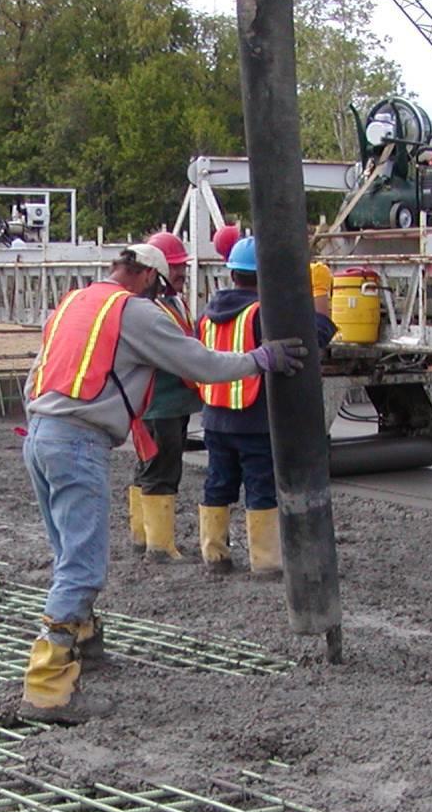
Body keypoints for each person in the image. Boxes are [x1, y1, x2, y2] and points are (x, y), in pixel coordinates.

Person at [19, 242, 306, 726]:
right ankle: (47, 689)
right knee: (82, 567)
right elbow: (204, 365)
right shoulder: (136, 313)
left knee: (68, 550)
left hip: (41, 437)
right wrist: (261, 359)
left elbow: (35, 379)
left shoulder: (75, 301)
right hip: (76, 445)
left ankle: (85, 645)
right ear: (151, 279)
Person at [197, 237, 335, 577]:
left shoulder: (208, 313)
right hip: (254, 420)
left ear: (233, 274)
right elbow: (304, 343)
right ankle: (267, 563)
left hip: (215, 417)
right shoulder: (263, 314)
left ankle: (215, 557)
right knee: (260, 488)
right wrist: (321, 312)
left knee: (218, 484)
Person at [126, 230, 202, 561]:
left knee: (151, 468)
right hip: (159, 404)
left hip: (168, 402)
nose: (182, 273)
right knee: (161, 469)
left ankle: (143, 537)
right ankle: (159, 546)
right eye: (175, 267)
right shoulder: (149, 308)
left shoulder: (172, 301)